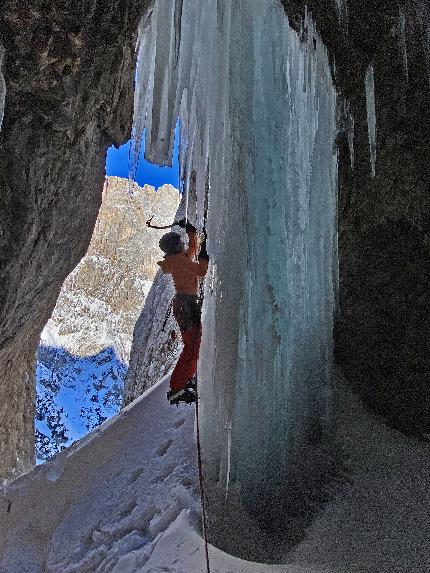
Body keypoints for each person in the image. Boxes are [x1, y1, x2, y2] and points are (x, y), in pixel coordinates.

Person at [158, 219, 209, 405]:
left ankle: (183, 382)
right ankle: (177, 386)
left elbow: (192, 252)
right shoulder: (179, 261)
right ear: (175, 246)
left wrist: (192, 233)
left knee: (193, 343)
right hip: (186, 306)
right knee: (192, 345)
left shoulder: (176, 260)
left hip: (183, 305)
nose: (182, 243)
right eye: (180, 242)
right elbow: (201, 271)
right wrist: (204, 256)